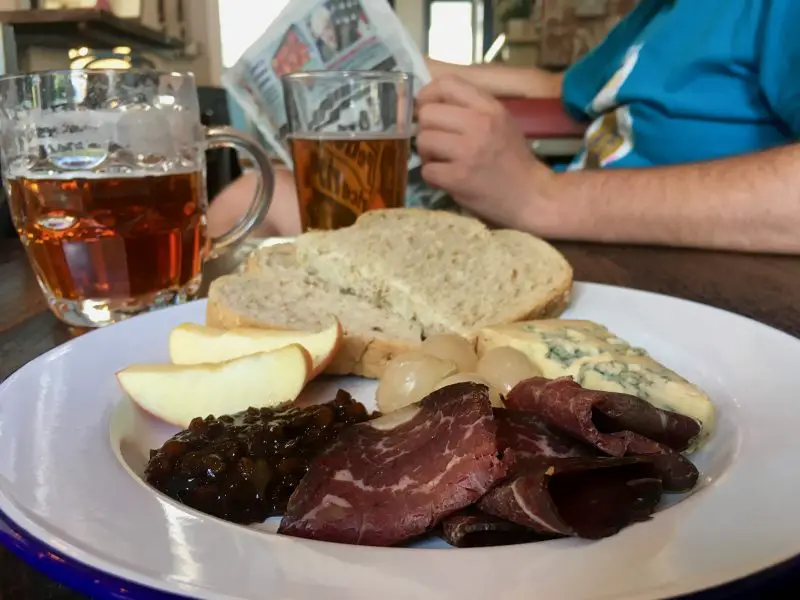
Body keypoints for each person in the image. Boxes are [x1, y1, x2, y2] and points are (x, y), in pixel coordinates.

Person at [210, 0, 800, 253]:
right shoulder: (656, 15)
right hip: (551, 223)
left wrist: (539, 195)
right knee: (251, 196)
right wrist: (403, 69)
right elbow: (558, 87)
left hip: (623, 253)